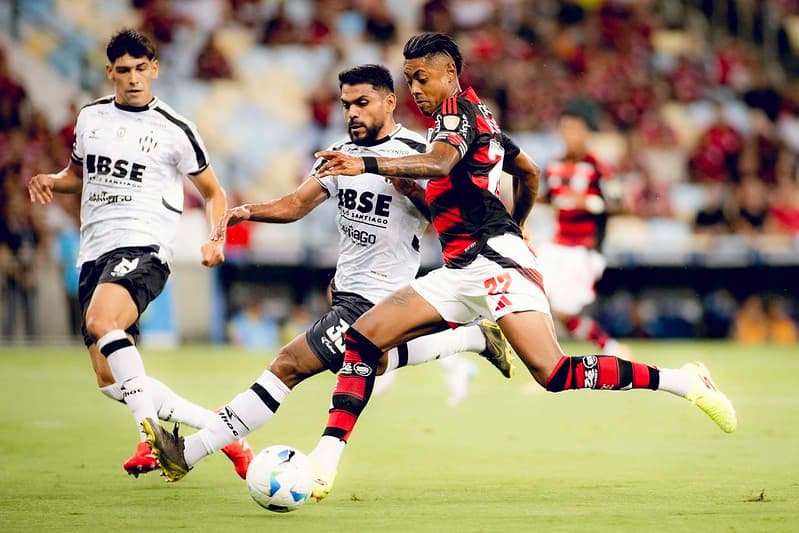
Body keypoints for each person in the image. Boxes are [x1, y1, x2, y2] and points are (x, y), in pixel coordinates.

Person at [147, 34, 737, 499]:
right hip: (459, 268)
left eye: (423, 78)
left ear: (451, 74)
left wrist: (374, 168)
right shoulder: (477, 121)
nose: (418, 88)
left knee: (552, 373)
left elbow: (435, 165)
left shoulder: (456, 116)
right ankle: (325, 462)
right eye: (410, 80)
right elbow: (526, 174)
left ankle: (685, 381)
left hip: (495, 261)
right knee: (362, 341)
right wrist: (522, 218)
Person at [141, 63, 514, 481]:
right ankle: (475, 337)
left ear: (390, 102)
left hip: (380, 298)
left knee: (288, 365)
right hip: (347, 291)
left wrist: (413, 191)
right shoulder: (343, 154)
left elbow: (450, 217)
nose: (352, 113)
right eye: (346, 105)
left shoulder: (418, 155)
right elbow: (296, 204)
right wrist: (245, 212)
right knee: (376, 362)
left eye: (362, 103)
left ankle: (187, 452)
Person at [27, 28, 252, 479]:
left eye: (141, 69)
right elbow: (79, 174)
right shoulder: (90, 118)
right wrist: (53, 179)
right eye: (123, 70)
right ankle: (223, 433)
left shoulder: (174, 129)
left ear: (155, 69)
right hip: (93, 252)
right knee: (111, 382)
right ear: (110, 72)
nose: (133, 78)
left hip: (144, 244)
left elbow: (213, 192)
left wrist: (215, 236)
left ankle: (151, 437)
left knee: (102, 322)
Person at [536, 107, 631, 358]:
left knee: (564, 313)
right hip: (557, 245)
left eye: (575, 130)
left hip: (585, 247)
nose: (570, 135)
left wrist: (588, 202)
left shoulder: (598, 167)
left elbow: (620, 204)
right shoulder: (553, 165)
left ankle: (606, 349)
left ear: (586, 133)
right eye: (565, 129)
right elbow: (547, 197)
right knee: (534, 298)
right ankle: (551, 361)